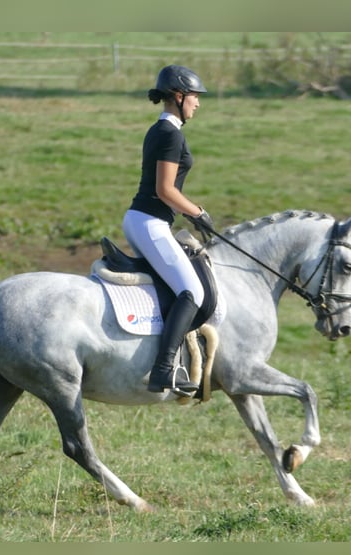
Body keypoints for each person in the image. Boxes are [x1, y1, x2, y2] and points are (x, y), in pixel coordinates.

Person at [123, 64, 215, 396]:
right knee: (192, 292)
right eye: (194, 97)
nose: (198, 104)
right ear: (178, 96)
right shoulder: (170, 134)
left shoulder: (162, 130)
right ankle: (163, 370)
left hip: (144, 220)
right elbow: (165, 190)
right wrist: (198, 212)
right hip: (149, 221)